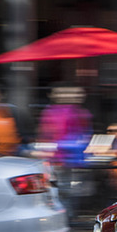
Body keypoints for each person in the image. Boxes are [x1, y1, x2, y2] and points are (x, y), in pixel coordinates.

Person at [34, 83, 94, 212]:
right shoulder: (50, 113)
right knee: (62, 190)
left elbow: (85, 135)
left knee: (72, 191)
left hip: (73, 160)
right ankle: (65, 216)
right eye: (64, 93)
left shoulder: (82, 113)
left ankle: (68, 215)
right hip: (60, 159)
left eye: (74, 93)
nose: (69, 96)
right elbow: (46, 135)